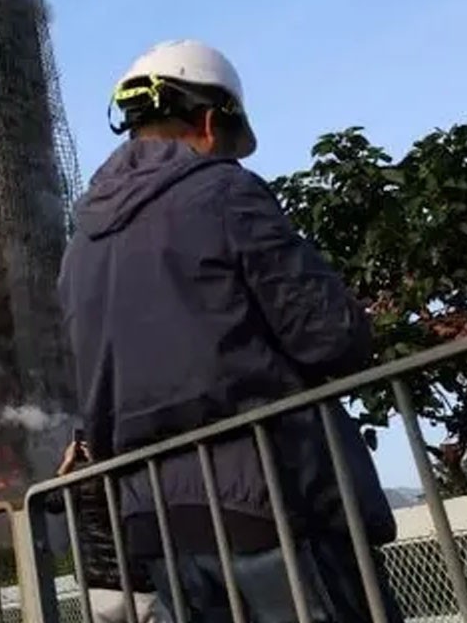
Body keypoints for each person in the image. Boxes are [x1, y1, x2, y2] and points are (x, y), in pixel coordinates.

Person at [57, 40, 402, 623]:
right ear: (212, 122)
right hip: (267, 503)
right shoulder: (225, 192)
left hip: (157, 528)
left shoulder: (79, 249)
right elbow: (331, 339)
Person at [47, 420, 159, 623]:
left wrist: (67, 463)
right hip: (141, 583)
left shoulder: (80, 484)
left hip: (100, 588)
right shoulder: (135, 476)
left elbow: (50, 500)